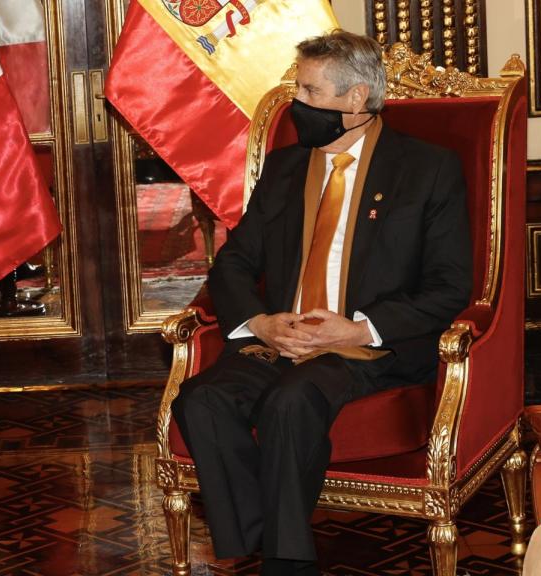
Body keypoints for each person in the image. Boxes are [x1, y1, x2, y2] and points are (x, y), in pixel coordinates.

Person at [171, 31, 472, 576]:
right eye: (298, 89)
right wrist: (261, 323)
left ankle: (287, 564)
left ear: (356, 99)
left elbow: (449, 287)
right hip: (281, 337)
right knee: (200, 401)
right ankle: (263, 534)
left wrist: (358, 330)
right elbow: (233, 262)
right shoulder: (286, 168)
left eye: (310, 92)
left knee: (291, 401)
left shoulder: (426, 169)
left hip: (368, 347)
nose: (297, 104)